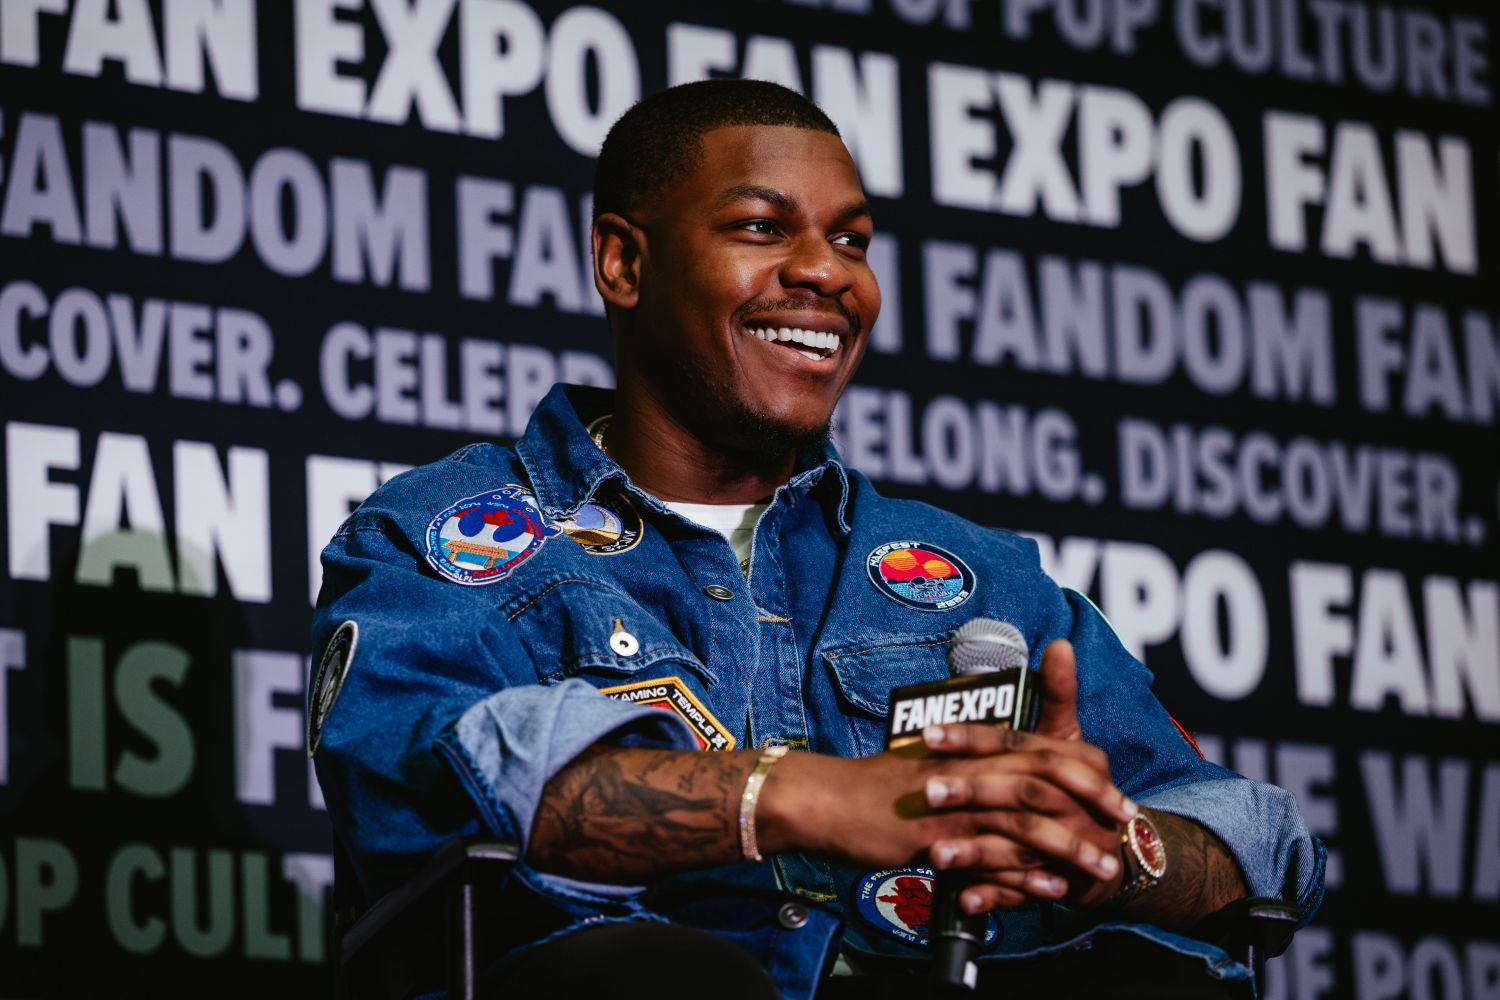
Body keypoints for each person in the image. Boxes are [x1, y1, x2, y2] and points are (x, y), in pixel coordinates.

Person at [309, 80, 1323, 1000]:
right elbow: (428, 786)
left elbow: (1262, 839)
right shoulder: (441, 536)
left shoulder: (981, 579)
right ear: (623, 261)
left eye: (854, 240)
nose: (826, 273)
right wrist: (805, 797)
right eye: (761, 226)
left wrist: (1112, 850)